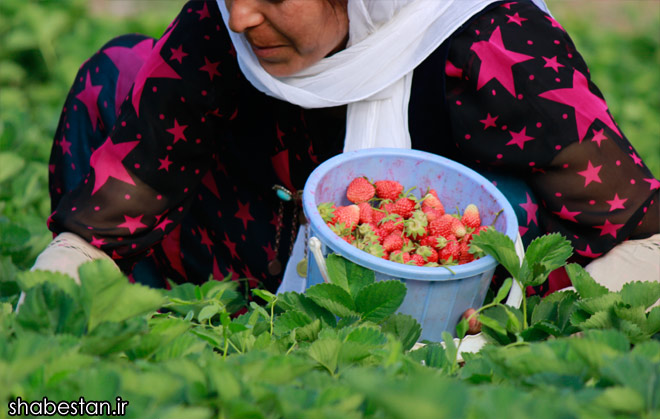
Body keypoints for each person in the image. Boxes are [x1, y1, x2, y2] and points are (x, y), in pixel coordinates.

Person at [31, 0, 659, 299]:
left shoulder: (496, 42)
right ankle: (142, 313)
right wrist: (41, 351)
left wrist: (525, 330)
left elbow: (650, 239)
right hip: (245, 265)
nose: (243, 18)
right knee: (121, 73)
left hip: (445, 300)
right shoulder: (219, 25)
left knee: (507, 207)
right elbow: (104, 222)